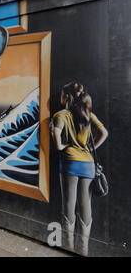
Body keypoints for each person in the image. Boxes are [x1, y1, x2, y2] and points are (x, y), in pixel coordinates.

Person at [52, 82, 108, 256]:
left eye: (62, 95)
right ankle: (83, 250)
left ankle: (68, 249)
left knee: (69, 205)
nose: (60, 98)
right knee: (85, 206)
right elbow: (104, 133)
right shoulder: (88, 114)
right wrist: (90, 149)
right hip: (88, 165)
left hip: (70, 163)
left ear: (67, 96)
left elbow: (57, 142)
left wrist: (62, 146)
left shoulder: (60, 115)